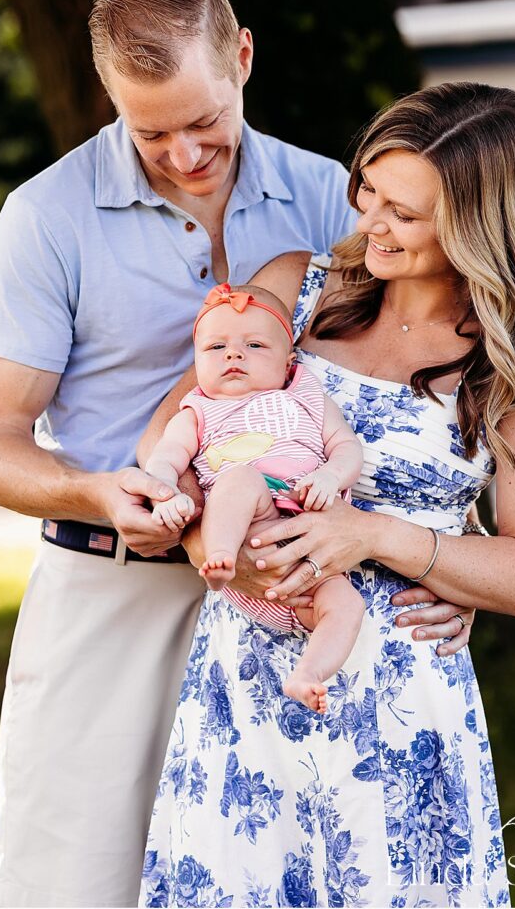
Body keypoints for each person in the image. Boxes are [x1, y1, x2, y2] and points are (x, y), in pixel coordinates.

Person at [0, 0, 470, 908]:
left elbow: (421, 386)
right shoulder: (45, 219)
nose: (188, 154)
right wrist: (94, 490)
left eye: (204, 122)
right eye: (152, 132)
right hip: (112, 592)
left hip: (299, 606)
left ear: (242, 58)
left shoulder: (332, 199)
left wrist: (451, 566)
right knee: (72, 884)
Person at [137, 82, 515, 907]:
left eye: (404, 213)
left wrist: (378, 538)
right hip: (245, 685)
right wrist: (214, 550)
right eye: (369, 190)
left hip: (400, 707)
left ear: (477, 224)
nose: (372, 221)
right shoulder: (299, 292)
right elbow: (168, 438)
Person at [143, 282, 365, 713]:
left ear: (288, 362)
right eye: (216, 347)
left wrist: (329, 475)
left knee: (346, 604)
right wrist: (165, 496)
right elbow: (164, 459)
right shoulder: (198, 409)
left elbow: (347, 448)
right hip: (251, 537)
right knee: (241, 480)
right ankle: (219, 559)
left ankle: (309, 674)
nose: (233, 355)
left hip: (312, 549)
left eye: (255, 344)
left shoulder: (307, 398)